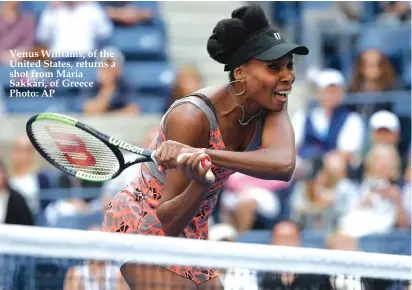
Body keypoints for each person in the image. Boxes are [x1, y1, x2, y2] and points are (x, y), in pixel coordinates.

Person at [102, 4, 309, 290]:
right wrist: (200, 183)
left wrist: (206, 155)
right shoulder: (191, 117)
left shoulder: (272, 101)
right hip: (144, 222)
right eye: (274, 67)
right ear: (240, 73)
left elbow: (284, 165)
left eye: (289, 65)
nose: (287, 76)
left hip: (195, 224)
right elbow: (169, 222)